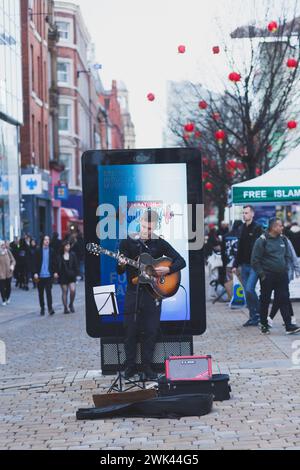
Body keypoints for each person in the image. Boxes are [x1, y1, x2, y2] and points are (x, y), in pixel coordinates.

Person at [117, 210, 186, 381]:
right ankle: (130, 367)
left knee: (150, 331)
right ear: (139, 222)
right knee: (130, 330)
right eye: (144, 227)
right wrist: (121, 264)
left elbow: (181, 261)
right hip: (133, 292)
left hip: (153, 295)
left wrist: (168, 269)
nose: (147, 231)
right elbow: (119, 271)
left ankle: (148, 367)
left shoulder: (158, 242)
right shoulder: (127, 242)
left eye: (150, 228)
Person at [251, 217, 300, 335]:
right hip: (267, 276)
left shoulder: (283, 239)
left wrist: (286, 270)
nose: (282, 227)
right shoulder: (262, 240)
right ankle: (264, 324)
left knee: (283, 299)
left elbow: (288, 256)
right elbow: (254, 260)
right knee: (265, 301)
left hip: (281, 276)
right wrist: (262, 275)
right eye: (280, 226)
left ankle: (288, 325)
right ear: (273, 227)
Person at [232, 206, 263, 326]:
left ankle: (259, 312)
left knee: (250, 289)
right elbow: (239, 248)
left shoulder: (257, 228)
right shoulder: (241, 228)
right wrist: (235, 264)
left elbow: (259, 247)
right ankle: (253, 316)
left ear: (252, 214)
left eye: (246, 213)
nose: (244, 215)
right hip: (244, 264)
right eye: (243, 213)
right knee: (247, 291)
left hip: (254, 265)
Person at [267, 232, 300, 327]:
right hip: (275, 272)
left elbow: (293, 256)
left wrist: (297, 271)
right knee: (284, 295)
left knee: (280, 295)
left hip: (286, 272)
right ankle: (291, 318)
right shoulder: (268, 240)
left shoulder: (285, 240)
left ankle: (270, 318)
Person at [33, 235, 59, 316]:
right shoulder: (38, 251)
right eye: (45, 240)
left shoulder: (52, 251)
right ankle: (42, 309)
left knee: (49, 293)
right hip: (39, 276)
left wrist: (55, 272)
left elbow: (55, 262)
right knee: (40, 293)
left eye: (48, 240)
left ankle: (50, 309)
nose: (47, 241)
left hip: (48, 275)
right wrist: (35, 273)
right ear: (43, 241)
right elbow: (34, 263)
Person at [57, 240, 79, 314]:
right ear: (63, 247)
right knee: (65, 291)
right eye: (66, 246)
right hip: (63, 276)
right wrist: (56, 273)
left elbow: (76, 265)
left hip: (71, 275)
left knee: (72, 290)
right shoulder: (60, 255)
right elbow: (57, 265)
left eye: (69, 245)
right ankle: (65, 308)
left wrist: (76, 273)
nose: (68, 247)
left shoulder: (73, 254)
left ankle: (71, 304)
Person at [0, 240, 16, 306]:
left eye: (4, 245)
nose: (3, 246)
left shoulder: (8, 252)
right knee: (2, 287)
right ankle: (4, 299)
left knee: (8, 287)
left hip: (9, 272)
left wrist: (12, 266)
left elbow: (13, 260)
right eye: (2, 245)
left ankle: (7, 297)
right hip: (1, 273)